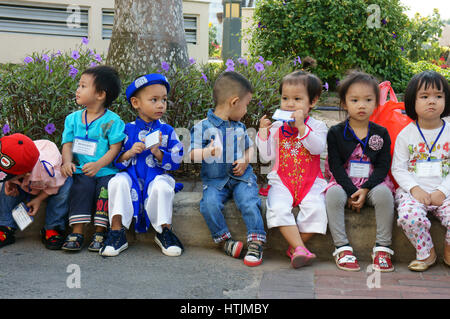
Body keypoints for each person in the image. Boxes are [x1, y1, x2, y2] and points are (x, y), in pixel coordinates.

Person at [100, 73, 184, 257]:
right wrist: (129, 153)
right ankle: (116, 232)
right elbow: (115, 157)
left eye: (164, 100)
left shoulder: (167, 131)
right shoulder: (126, 129)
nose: (161, 104)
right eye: (154, 99)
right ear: (136, 103)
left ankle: (164, 231)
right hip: (131, 177)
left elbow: (177, 158)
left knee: (162, 186)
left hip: (156, 177)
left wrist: (158, 152)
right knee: (116, 182)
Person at [189, 71, 266, 267]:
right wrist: (206, 152)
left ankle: (256, 241)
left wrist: (245, 161)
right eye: (246, 105)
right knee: (209, 204)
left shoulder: (239, 127)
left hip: (241, 179)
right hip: (215, 182)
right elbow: (190, 154)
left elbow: (250, 149)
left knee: (249, 201)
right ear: (234, 102)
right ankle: (225, 241)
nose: (246, 110)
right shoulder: (202, 127)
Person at [256, 70, 328, 268]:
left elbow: (317, 147)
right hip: (282, 181)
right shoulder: (277, 127)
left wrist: (302, 128)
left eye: (297, 99)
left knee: (317, 210)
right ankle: (299, 247)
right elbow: (266, 156)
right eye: (285, 98)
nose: (289, 103)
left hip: (310, 182)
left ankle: (296, 247)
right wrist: (263, 133)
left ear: (312, 102)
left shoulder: (318, 126)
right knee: (278, 208)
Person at [325, 71, 396, 272]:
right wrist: (349, 190)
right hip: (344, 181)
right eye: (355, 100)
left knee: (384, 195)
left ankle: (383, 247)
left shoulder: (381, 133)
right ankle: (342, 247)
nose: (362, 105)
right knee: (332, 194)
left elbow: (383, 166)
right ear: (345, 103)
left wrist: (365, 189)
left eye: (368, 100)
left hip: (372, 182)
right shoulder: (336, 132)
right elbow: (335, 166)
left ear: (376, 102)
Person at [60, 65, 126, 252]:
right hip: (82, 170)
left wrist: (98, 165)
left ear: (100, 94)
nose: (77, 90)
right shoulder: (72, 119)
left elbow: (115, 148)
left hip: (105, 171)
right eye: (79, 85)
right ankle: (78, 231)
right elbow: (68, 144)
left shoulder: (113, 121)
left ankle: (100, 231)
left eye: (83, 86)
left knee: (104, 191)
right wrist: (67, 162)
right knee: (80, 188)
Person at [391, 70, 450, 271]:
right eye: (424, 97)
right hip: (414, 193)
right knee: (409, 216)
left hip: (446, 193)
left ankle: (449, 250)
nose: (431, 101)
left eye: (438, 96)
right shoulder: (406, 134)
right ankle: (426, 253)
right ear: (412, 102)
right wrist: (415, 189)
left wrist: (442, 191)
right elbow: (398, 168)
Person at [0, 134, 72, 250]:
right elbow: (9, 172)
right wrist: (9, 183)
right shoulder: (16, 159)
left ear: (26, 174)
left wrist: (39, 199)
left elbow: (55, 185)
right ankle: (5, 226)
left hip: (52, 182)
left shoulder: (48, 170)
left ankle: (52, 227)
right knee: (6, 191)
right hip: (25, 181)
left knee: (66, 187)